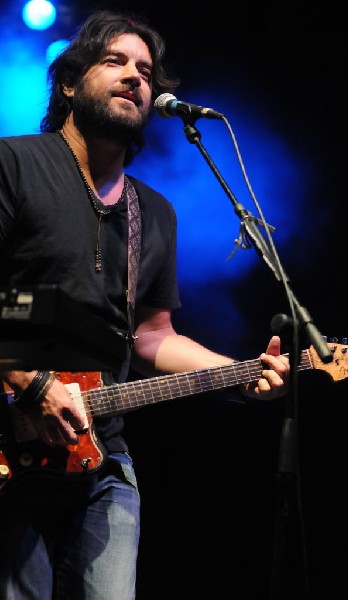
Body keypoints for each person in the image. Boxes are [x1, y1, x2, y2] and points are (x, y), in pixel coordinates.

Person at [0, 9, 289, 600]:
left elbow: (153, 337)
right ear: (70, 83)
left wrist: (239, 372)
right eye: (115, 61)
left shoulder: (152, 212)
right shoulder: (15, 163)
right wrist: (30, 382)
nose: (135, 76)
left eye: (145, 70)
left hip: (102, 456)